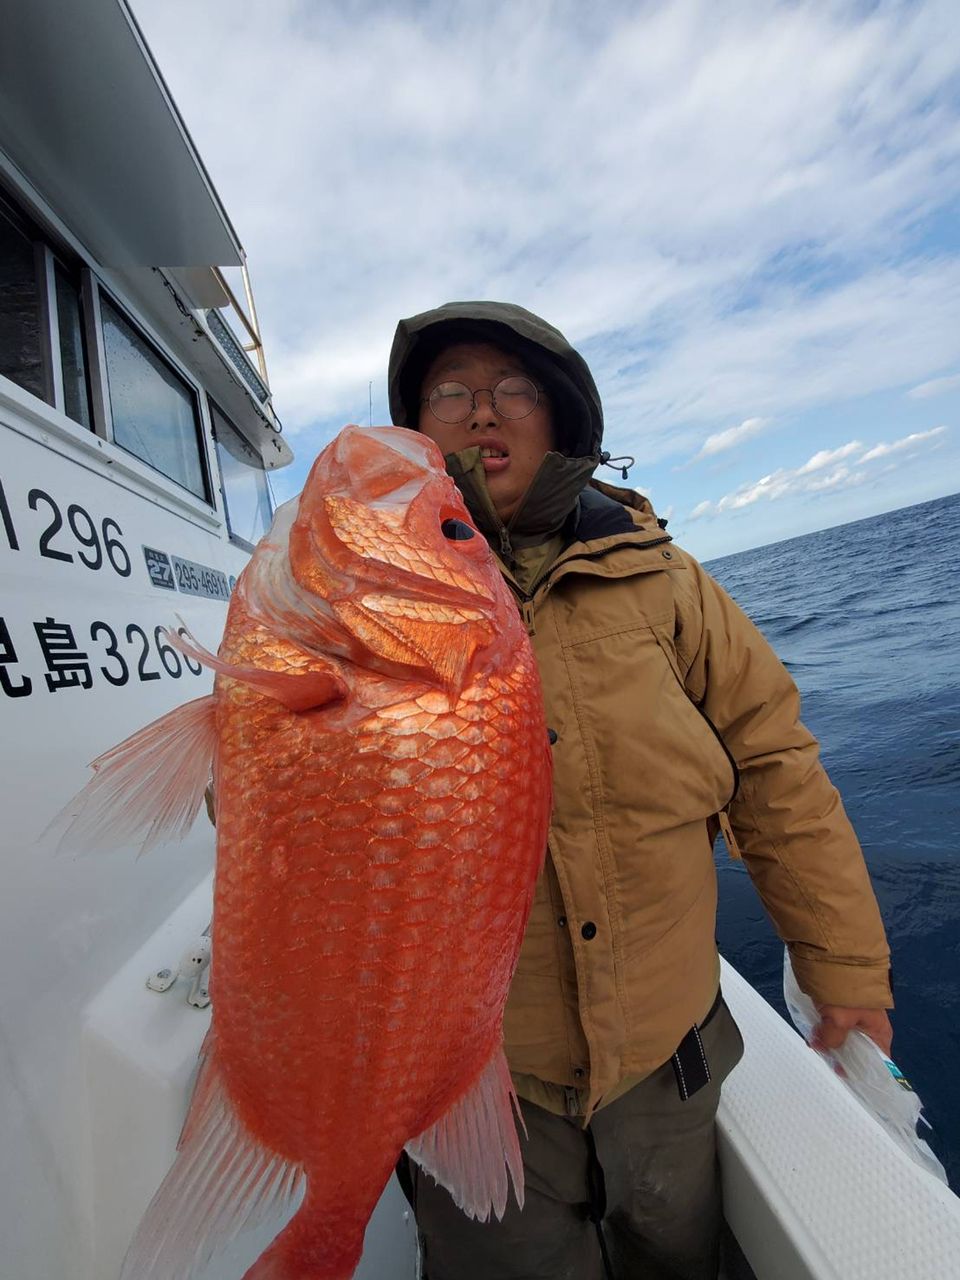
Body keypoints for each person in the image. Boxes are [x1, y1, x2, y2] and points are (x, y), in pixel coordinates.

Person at [387, 301, 893, 1280]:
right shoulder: (370, 596)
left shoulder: (668, 583)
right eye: (450, 393)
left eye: (513, 391)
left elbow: (776, 766)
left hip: (670, 1070)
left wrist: (845, 968)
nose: (483, 413)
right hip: (475, 1092)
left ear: (563, 414)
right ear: (415, 428)